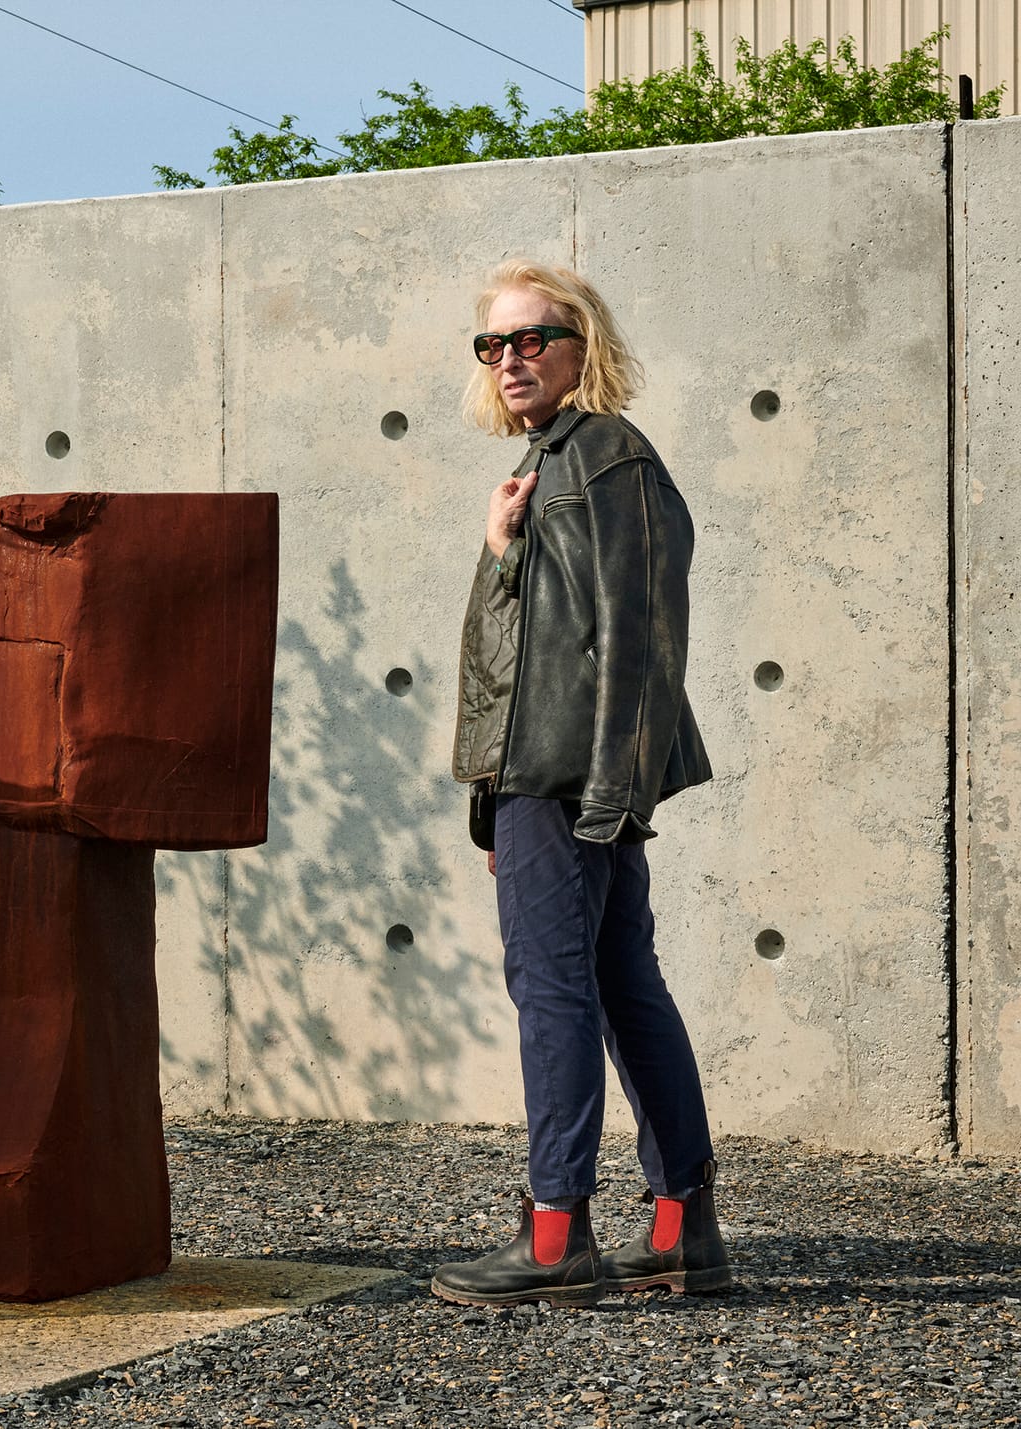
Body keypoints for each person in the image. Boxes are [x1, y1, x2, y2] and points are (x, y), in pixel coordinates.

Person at [434, 259, 730, 1308]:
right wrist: (498, 549)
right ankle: (679, 1227)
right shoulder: (549, 464)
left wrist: (612, 790)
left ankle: (555, 1233)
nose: (509, 359)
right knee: (617, 983)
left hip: (571, 778)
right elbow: (517, 653)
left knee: (553, 988)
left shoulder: (606, 457)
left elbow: (643, 639)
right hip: (551, 776)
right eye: (493, 343)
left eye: (533, 338)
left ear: (581, 346)